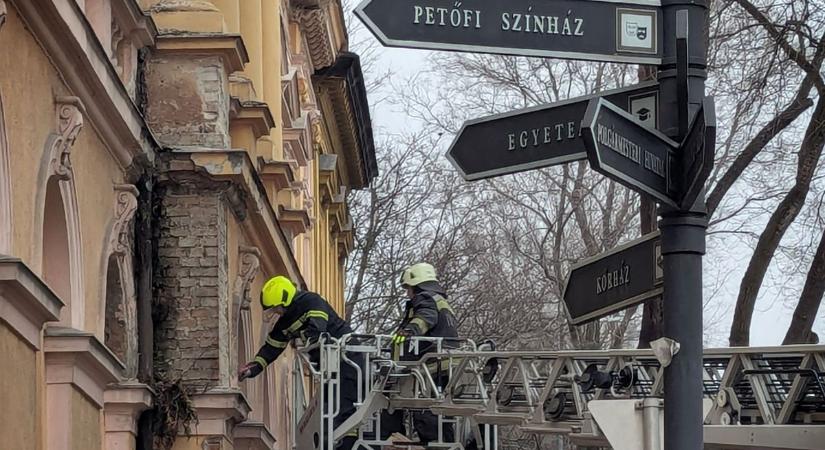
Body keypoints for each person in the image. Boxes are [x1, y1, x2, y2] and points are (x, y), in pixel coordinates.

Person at [239, 276, 361, 450]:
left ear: (285, 298)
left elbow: (317, 330)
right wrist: (253, 368)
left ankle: (347, 443)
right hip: (331, 369)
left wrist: (300, 340)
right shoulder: (285, 322)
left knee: (343, 405)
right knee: (326, 409)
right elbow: (272, 348)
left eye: (277, 308)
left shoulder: (312, 301)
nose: (277, 312)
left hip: (350, 358)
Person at [380, 262, 459, 446]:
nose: (408, 293)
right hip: (444, 363)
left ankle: (432, 443)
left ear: (417, 285)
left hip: (429, 366)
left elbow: (426, 317)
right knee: (439, 410)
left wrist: (410, 331)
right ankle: (443, 443)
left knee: (425, 409)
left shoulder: (425, 298)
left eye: (408, 289)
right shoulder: (441, 302)